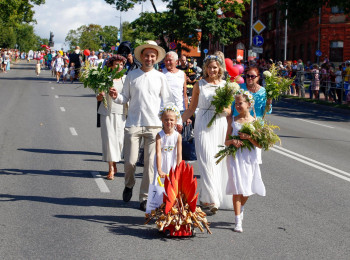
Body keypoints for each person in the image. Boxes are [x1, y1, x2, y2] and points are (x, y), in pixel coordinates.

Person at [109, 40, 175, 211]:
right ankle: (129, 184)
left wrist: (173, 121)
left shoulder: (160, 77)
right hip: (133, 124)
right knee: (130, 162)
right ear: (141, 57)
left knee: (150, 164)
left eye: (153, 56)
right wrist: (116, 96)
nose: (149, 58)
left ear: (156, 58)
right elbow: (124, 97)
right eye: (147, 55)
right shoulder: (132, 75)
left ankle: (144, 197)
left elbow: (168, 101)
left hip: (154, 126)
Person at [181, 55, 232, 214]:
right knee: (206, 160)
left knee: (217, 162)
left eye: (215, 67)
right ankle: (213, 200)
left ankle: (206, 198)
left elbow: (229, 110)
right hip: (203, 123)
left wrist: (223, 110)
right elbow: (191, 109)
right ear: (205, 69)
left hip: (219, 124)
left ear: (220, 69)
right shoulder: (199, 84)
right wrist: (177, 122)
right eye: (209, 67)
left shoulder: (226, 86)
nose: (212, 70)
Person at [225, 91, 266, 233]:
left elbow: (260, 145)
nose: (237, 106)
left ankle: (241, 207)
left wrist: (249, 137)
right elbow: (226, 141)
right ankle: (237, 221)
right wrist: (233, 141)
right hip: (235, 157)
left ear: (249, 104)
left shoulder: (255, 122)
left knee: (247, 189)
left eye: (240, 103)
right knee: (237, 188)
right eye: (236, 103)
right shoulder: (233, 120)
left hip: (249, 158)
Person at [96, 55, 127, 180]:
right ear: (111, 66)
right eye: (116, 64)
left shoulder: (126, 79)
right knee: (109, 139)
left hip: (121, 113)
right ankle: (111, 169)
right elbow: (98, 98)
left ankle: (114, 163)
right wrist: (101, 94)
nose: (119, 67)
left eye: (121, 64)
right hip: (107, 112)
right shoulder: (105, 79)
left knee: (119, 141)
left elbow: (129, 96)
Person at [155, 105, 182, 179]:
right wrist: (159, 169)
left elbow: (179, 154)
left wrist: (178, 168)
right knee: (160, 185)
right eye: (166, 120)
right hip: (162, 162)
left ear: (176, 121)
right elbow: (158, 153)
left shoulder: (178, 136)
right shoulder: (159, 135)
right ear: (162, 120)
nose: (169, 122)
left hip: (172, 162)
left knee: (172, 185)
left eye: (171, 120)